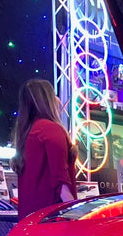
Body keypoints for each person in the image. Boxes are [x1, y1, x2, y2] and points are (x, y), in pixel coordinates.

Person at [10, 78, 77, 220]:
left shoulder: (26, 134)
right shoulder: (51, 130)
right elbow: (61, 183)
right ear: (47, 101)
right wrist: (78, 217)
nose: (58, 100)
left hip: (29, 222)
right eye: (54, 95)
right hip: (53, 220)